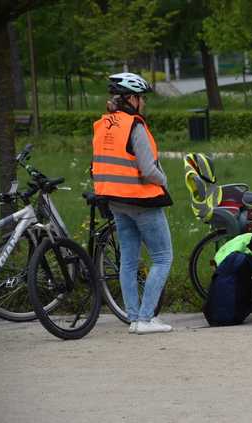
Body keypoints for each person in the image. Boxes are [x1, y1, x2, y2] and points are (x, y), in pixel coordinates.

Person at [91, 72, 174, 335]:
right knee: (162, 257)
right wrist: (164, 181)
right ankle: (147, 318)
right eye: (141, 98)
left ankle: (135, 319)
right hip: (142, 199)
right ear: (131, 99)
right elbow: (148, 169)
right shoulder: (134, 126)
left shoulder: (102, 124)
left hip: (114, 200)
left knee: (128, 260)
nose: (144, 103)